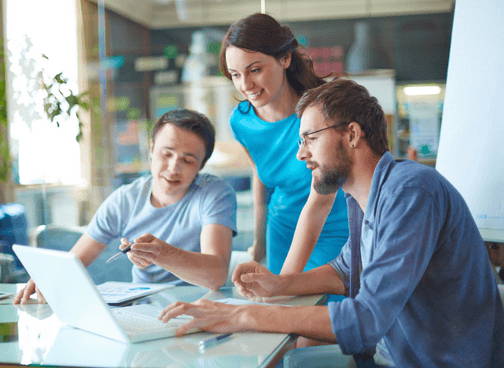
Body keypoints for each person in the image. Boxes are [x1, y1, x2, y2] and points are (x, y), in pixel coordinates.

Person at [158, 79, 504, 367]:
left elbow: (365, 320)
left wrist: (241, 315)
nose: (301, 154)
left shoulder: (411, 191)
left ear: (352, 134)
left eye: (310, 138)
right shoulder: (363, 196)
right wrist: (281, 284)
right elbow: (345, 269)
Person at [14, 108, 237, 304]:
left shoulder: (214, 194)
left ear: (201, 166)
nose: (173, 168)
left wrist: (162, 254)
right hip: (144, 308)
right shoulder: (125, 199)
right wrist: (47, 279)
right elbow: (75, 261)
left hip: (200, 309)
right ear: (151, 149)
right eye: (166, 154)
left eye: (188, 161)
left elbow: (215, 276)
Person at [220, 13, 349, 277]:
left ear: (285, 59)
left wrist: (285, 282)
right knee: (282, 310)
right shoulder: (241, 121)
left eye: (255, 70)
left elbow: (322, 200)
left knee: (316, 311)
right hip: (281, 230)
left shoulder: (322, 112)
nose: (245, 85)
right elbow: (261, 174)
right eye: (235, 74)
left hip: (335, 230)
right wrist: (259, 243)